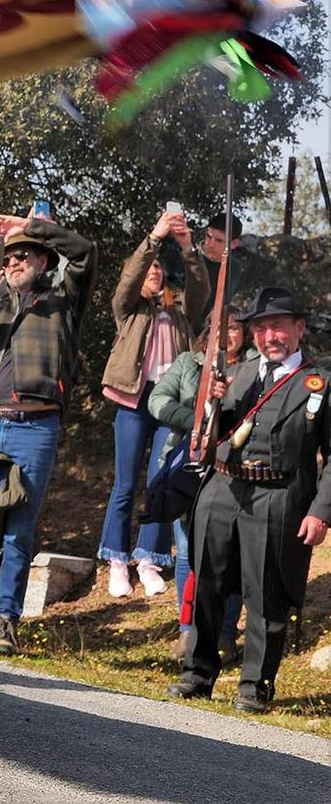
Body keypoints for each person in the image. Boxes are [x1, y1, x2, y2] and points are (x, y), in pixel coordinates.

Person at [169, 287, 331, 714]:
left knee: (266, 594)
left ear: (298, 329)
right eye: (260, 328)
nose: (268, 336)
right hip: (223, 488)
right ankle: (196, 674)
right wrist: (212, 402)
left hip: (278, 497)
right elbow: (211, 433)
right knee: (205, 583)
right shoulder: (236, 374)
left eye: (277, 326)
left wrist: (321, 512)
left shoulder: (320, 382)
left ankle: (255, 686)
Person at [0, 212, 96, 657]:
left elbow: (86, 253)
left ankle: (5, 621)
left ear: (43, 260)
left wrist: (33, 225)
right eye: (9, 255)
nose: (14, 261)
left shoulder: (63, 299)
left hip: (35, 426)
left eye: (25, 254)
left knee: (18, 529)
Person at [97, 208, 208, 598]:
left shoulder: (180, 310)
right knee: (125, 482)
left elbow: (202, 289)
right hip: (132, 397)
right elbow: (128, 279)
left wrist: (186, 247)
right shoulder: (128, 309)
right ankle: (116, 560)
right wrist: (154, 238)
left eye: (159, 268)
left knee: (161, 481)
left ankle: (148, 559)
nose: (154, 272)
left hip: (169, 404)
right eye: (149, 269)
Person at [149, 306, 249, 663]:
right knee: (189, 552)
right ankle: (188, 631)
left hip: (234, 469)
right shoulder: (188, 363)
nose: (228, 335)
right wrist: (196, 420)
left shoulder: (254, 365)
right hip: (191, 467)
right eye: (221, 328)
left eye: (235, 328)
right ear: (209, 331)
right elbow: (157, 400)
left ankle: (224, 634)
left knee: (232, 553)